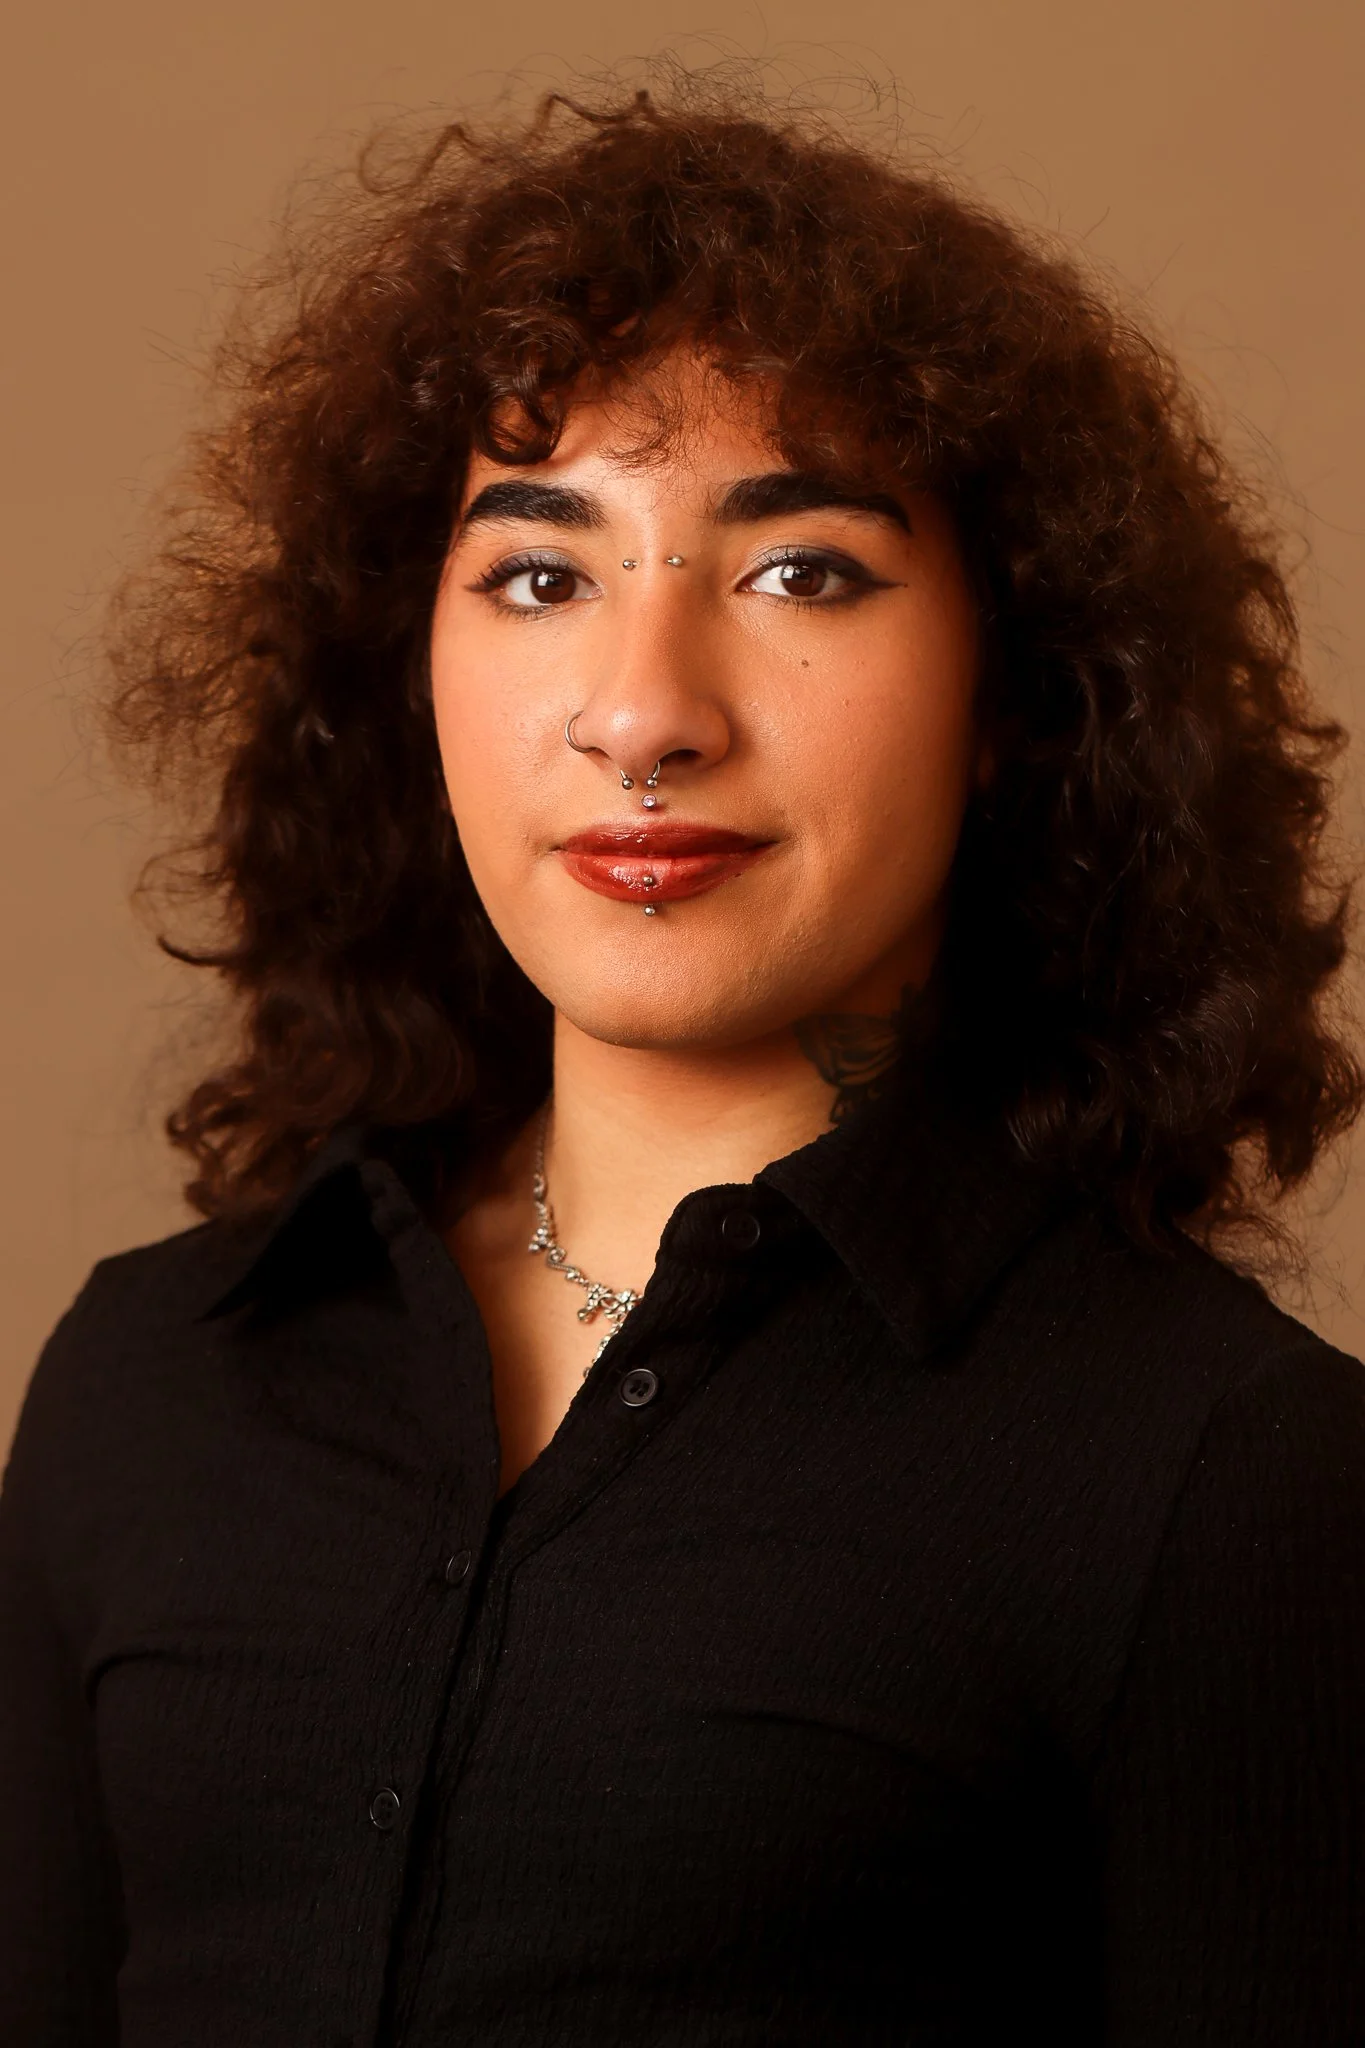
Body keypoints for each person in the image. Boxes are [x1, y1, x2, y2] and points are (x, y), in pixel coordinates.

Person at [2, 76, 1363, 2046]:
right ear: (410, 672)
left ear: (1017, 687)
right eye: (539, 575)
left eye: (800, 570)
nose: (642, 713)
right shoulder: (151, 1386)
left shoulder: (1228, 1479)